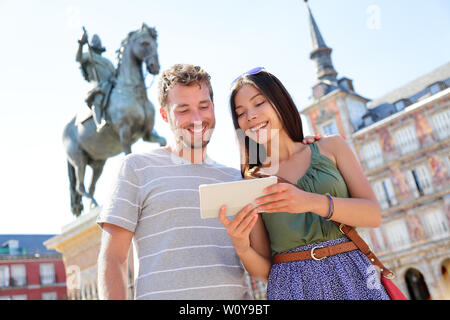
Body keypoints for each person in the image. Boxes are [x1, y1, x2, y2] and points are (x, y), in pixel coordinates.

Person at [96, 64, 321, 300]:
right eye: (183, 110)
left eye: (204, 106)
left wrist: (302, 146)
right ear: (164, 115)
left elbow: (267, 267)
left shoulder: (238, 178)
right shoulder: (137, 167)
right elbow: (112, 258)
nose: (197, 118)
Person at [218, 67, 390, 300]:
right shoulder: (252, 180)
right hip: (292, 287)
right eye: (240, 113)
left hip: (353, 275)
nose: (250, 116)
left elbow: (373, 215)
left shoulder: (331, 147)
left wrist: (310, 201)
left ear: (280, 102)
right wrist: (241, 246)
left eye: (259, 103)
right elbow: (265, 270)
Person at [76, 30, 115, 132]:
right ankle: (99, 122)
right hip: (98, 86)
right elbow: (78, 58)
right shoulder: (88, 56)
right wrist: (81, 44)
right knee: (98, 98)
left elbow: (115, 74)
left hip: (111, 85)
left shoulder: (107, 62)